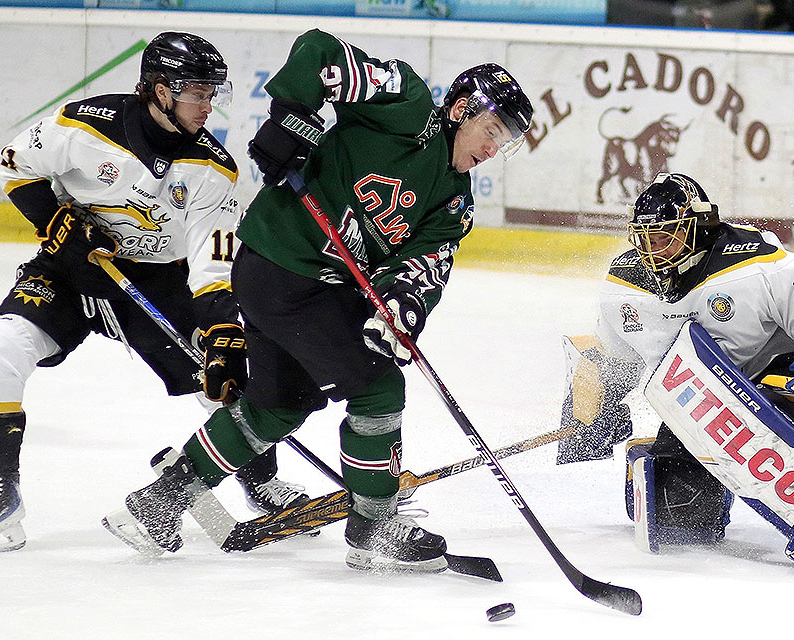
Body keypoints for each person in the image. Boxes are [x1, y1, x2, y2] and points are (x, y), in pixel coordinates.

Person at [102, 29, 533, 572]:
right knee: (380, 387)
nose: (493, 148)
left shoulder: (454, 199)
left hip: (314, 286)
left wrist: (399, 310)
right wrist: (292, 117)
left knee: (277, 404)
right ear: (462, 109)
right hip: (283, 265)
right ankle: (373, 524)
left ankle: (158, 502)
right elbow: (322, 52)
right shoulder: (408, 101)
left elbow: (425, 266)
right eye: (492, 130)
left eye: (506, 141)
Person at [0, 32, 306, 555]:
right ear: (160, 90)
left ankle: (261, 480)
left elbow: (212, 256)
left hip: (157, 282)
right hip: (69, 271)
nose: (208, 106)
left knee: (224, 373)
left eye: (213, 94)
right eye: (197, 93)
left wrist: (224, 327)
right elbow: (15, 164)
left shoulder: (212, 166)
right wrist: (53, 221)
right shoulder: (82, 125)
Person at [556, 173, 794, 574]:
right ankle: (713, 470)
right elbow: (615, 358)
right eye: (646, 238)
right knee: (679, 522)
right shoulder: (625, 286)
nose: (654, 251)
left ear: (700, 225)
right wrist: (597, 405)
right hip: (701, 402)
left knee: (754, 434)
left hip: (779, 383)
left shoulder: (759, 265)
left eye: (666, 236)